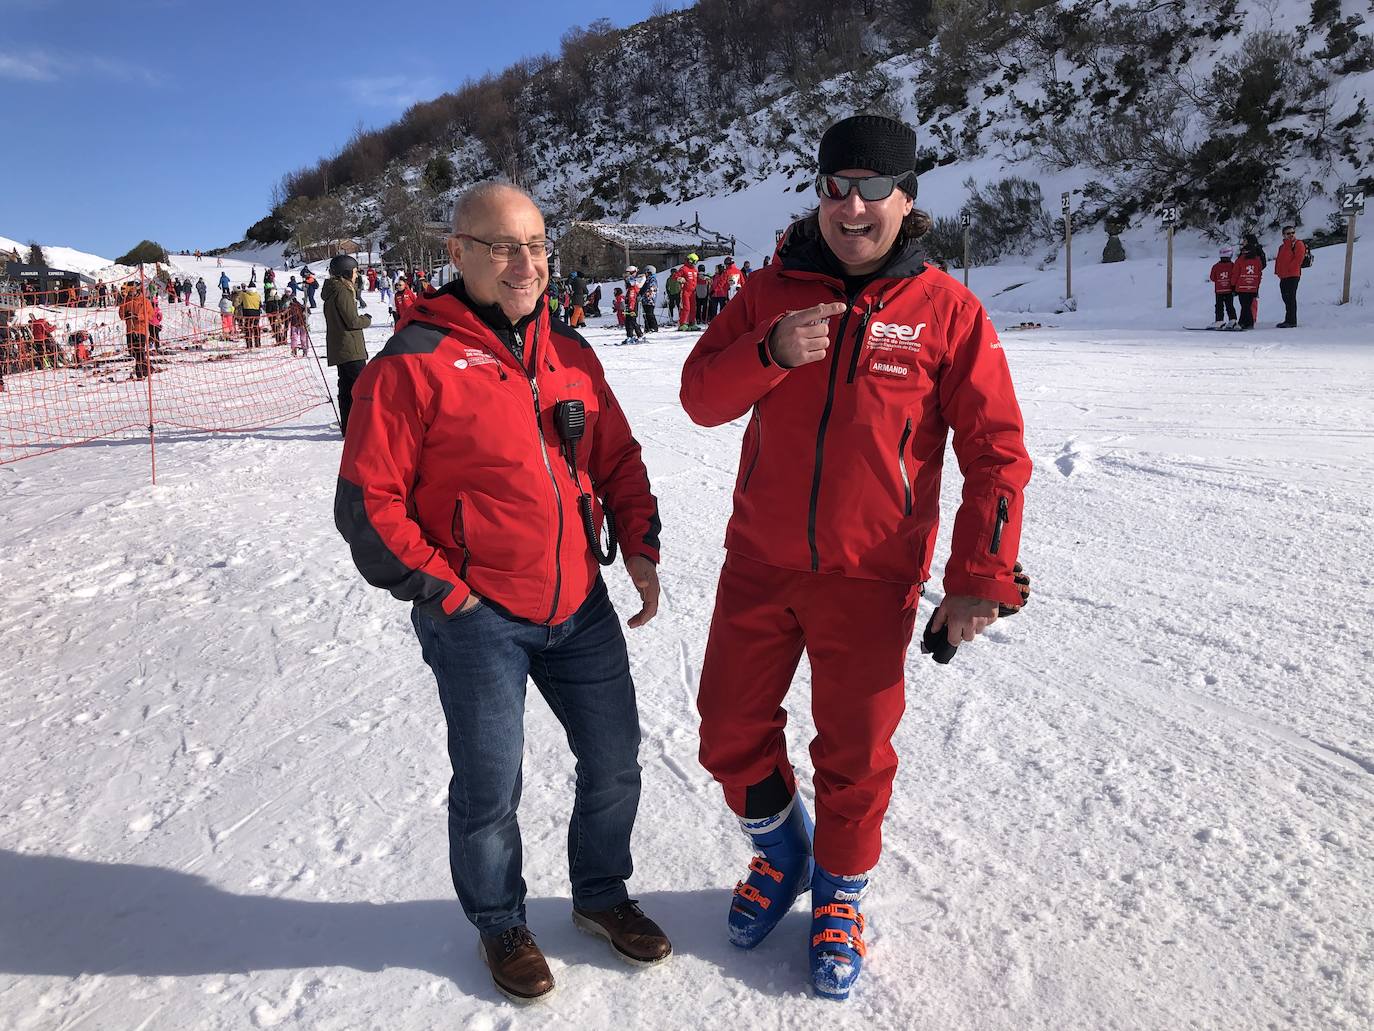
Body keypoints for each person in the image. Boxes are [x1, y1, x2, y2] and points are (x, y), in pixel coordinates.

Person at [680, 114, 1031, 1001]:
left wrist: (979, 578)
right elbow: (698, 396)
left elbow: (995, 450)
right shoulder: (769, 291)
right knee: (727, 729)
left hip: (873, 576)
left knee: (856, 752)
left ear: (906, 200)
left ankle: (838, 894)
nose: (852, 206)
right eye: (836, 187)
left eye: (874, 188)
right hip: (760, 561)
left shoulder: (948, 311)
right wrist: (769, 350)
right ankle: (786, 854)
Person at [333, 181, 669, 1003]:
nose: (527, 264)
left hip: (578, 603)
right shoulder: (412, 359)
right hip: (479, 615)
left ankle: (599, 892)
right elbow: (367, 506)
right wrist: (447, 592)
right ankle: (500, 920)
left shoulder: (570, 352)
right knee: (491, 787)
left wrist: (640, 545)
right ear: (458, 253)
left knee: (616, 760)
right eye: (504, 246)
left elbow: (617, 458)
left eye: (539, 245)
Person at [322, 254, 372, 433]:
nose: (357, 275)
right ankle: (356, 427)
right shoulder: (342, 291)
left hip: (341, 347)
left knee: (347, 387)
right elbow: (352, 321)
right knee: (357, 387)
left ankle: (349, 426)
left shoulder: (335, 290)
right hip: (349, 347)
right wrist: (366, 319)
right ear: (346, 272)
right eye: (355, 272)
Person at [118, 281, 154, 380]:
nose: (130, 292)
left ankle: (140, 373)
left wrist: (138, 316)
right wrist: (126, 315)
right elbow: (121, 315)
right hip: (130, 330)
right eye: (129, 290)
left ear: (136, 289)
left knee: (140, 351)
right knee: (132, 351)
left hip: (141, 329)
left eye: (132, 290)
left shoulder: (145, 301)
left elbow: (151, 315)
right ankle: (147, 368)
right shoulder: (125, 301)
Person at [1274, 225, 1307, 328]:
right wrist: (1278, 272)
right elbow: (1279, 261)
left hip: (1293, 275)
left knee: (1290, 298)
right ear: (1283, 235)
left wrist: (1289, 269)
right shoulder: (1282, 247)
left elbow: (1298, 259)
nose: (1291, 235)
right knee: (1286, 297)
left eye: (1292, 232)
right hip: (1284, 276)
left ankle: (1291, 321)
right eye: (1288, 233)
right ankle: (1288, 319)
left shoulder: (1298, 244)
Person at [1233, 232, 1265, 330]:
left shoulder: (1253, 253)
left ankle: (1249, 320)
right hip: (1253, 281)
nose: (1243, 242)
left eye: (1245, 240)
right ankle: (1245, 321)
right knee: (1247, 303)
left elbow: (1237, 270)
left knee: (1247, 303)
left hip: (1246, 281)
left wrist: (1234, 284)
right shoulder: (1253, 255)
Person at [1209, 247, 1238, 328]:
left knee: (1219, 306)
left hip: (1219, 290)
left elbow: (1212, 278)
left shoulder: (1216, 266)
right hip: (1229, 289)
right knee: (1230, 305)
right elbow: (1235, 275)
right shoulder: (1233, 265)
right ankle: (1233, 320)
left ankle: (1219, 320)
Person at [672, 253, 699, 329]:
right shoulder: (683, 268)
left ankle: (692, 323)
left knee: (693, 308)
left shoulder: (694, 270)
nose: (695, 264)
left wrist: (705, 279)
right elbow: (675, 276)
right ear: (690, 261)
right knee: (686, 308)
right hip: (685, 291)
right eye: (694, 261)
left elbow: (697, 279)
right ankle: (682, 323)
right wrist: (679, 278)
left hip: (693, 292)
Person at [239, 282, 263, 348]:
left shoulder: (244, 295)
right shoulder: (258, 295)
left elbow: (240, 303)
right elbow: (260, 305)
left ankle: (249, 344)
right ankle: (258, 343)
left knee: (248, 328)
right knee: (256, 328)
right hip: (256, 313)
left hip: (247, 313)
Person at [641, 266, 660, 333]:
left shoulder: (652, 279)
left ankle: (654, 327)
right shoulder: (647, 279)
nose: (645, 274)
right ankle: (647, 327)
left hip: (649, 300)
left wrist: (646, 294)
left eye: (646, 272)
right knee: (645, 314)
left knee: (649, 314)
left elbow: (650, 288)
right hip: (645, 299)